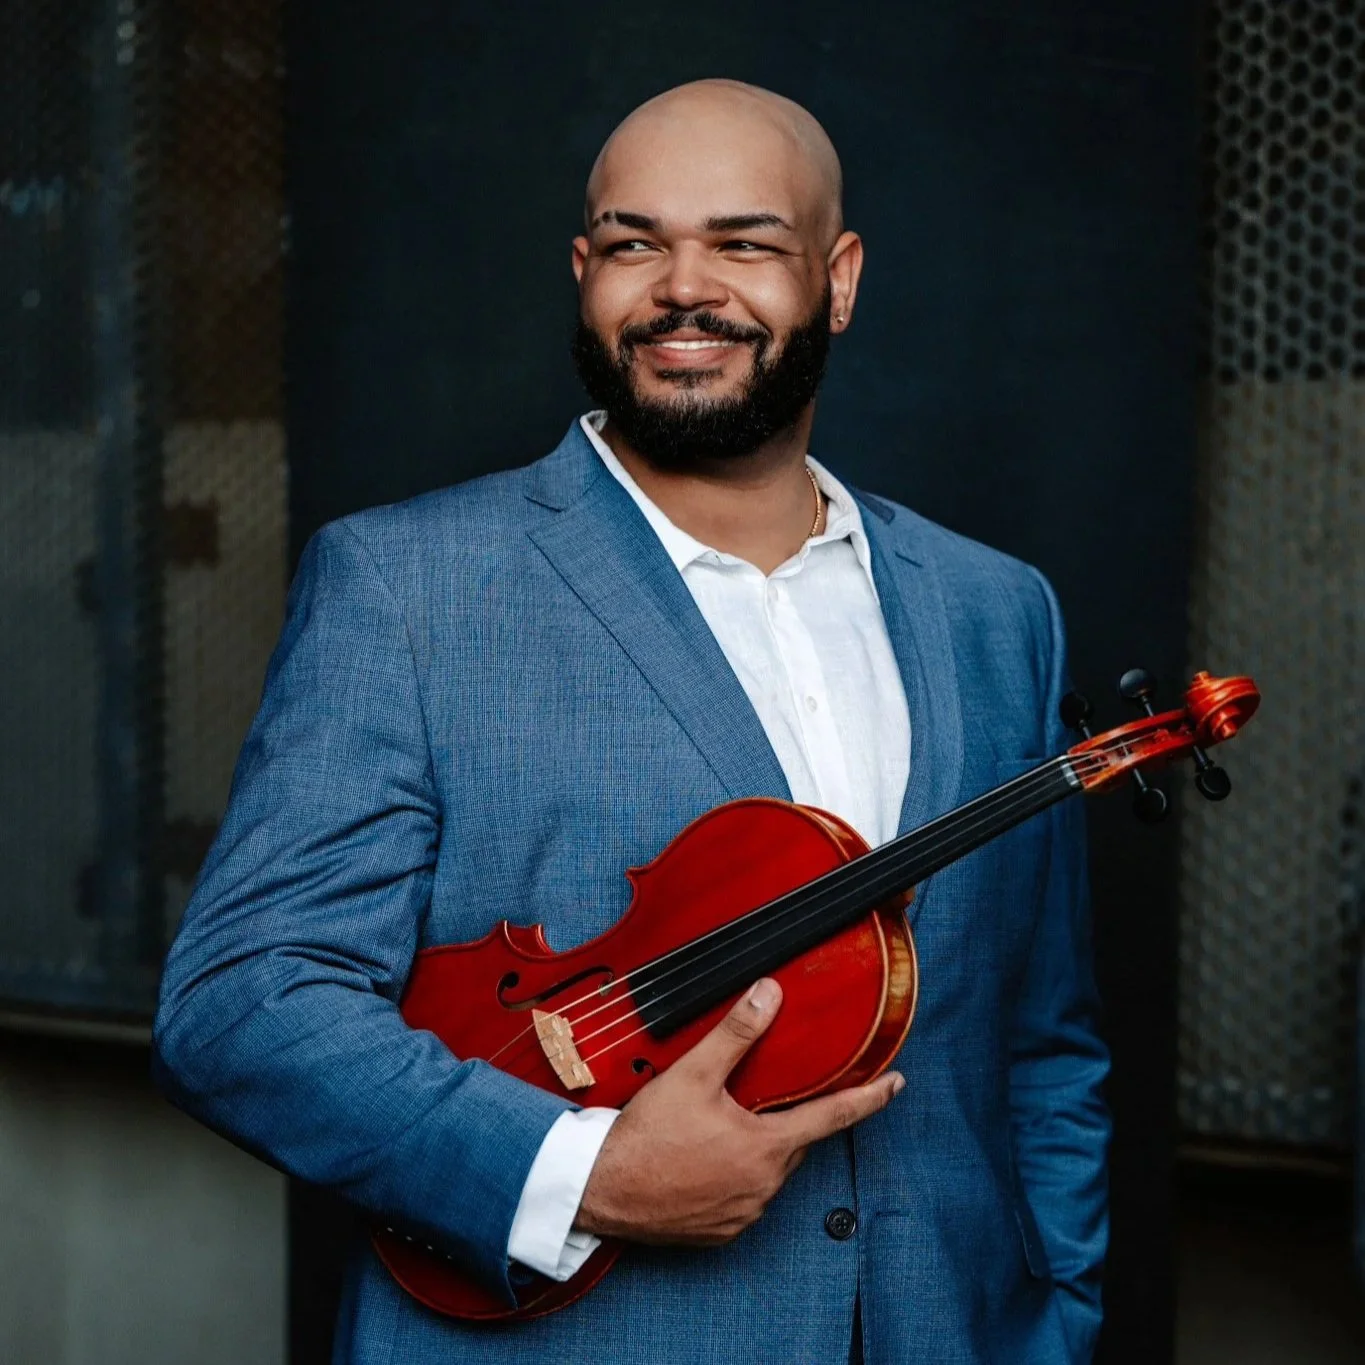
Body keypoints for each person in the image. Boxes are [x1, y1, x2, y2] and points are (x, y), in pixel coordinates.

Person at [154, 78, 1109, 1364]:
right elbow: (241, 1002)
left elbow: (1040, 1042)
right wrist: (583, 1174)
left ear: (839, 278)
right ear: (583, 270)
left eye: (744, 242)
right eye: (634, 242)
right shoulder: (410, 585)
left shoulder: (999, 611)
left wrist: (1060, 1321)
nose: (682, 287)